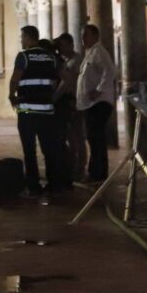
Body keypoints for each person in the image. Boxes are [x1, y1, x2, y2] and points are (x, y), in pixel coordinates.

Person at [9, 25, 69, 192]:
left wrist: (11, 96)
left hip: (27, 112)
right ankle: (53, 184)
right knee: (49, 150)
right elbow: (67, 79)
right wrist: (54, 97)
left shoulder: (23, 57)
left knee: (30, 151)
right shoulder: (51, 57)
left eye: (22, 37)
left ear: (29, 38)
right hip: (47, 111)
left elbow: (15, 80)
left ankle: (34, 185)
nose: (21, 40)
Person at [77, 24, 117, 182]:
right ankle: (97, 172)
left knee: (96, 138)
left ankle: (97, 173)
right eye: (82, 36)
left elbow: (110, 71)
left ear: (95, 36)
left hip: (98, 103)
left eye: (85, 35)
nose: (83, 39)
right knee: (94, 138)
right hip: (91, 103)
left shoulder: (99, 52)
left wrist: (99, 90)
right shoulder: (91, 53)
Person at [55, 32, 84, 182]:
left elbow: (73, 82)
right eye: (60, 46)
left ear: (71, 45)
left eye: (64, 45)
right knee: (70, 137)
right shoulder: (64, 60)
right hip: (68, 103)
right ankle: (72, 167)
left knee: (77, 137)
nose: (61, 48)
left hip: (75, 102)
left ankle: (79, 169)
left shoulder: (77, 60)